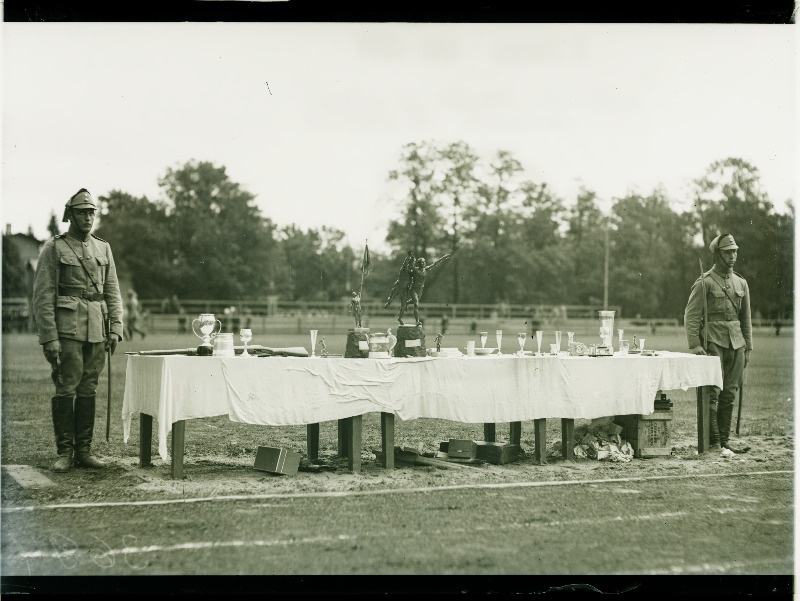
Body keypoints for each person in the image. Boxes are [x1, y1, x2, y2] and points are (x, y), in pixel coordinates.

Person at [32, 188, 124, 472]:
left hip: (97, 328)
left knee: (89, 388)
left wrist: (116, 327)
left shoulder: (103, 248)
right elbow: (43, 296)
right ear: (69, 215)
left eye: (91, 212)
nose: (88, 217)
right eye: (82, 212)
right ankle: (64, 452)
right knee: (66, 386)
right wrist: (49, 337)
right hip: (67, 329)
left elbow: (113, 291)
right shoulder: (54, 248)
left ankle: (84, 451)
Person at [684, 233, 752, 454]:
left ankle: (724, 441)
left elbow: (746, 318)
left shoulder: (741, 282)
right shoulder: (705, 283)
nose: (732, 256)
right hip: (712, 342)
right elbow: (691, 315)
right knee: (713, 392)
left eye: (734, 252)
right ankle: (712, 442)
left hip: (737, 343)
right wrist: (695, 344)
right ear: (717, 255)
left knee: (730, 393)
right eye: (727, 252)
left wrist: (748, 346)